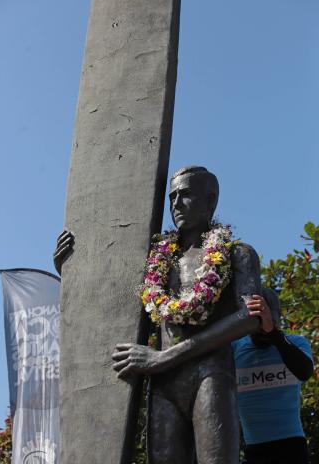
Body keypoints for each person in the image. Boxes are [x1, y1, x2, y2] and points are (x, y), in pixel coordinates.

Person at [54, 166, 262, 464]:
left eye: (186, 194)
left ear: (211, 200)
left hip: (210, 375)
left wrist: (163, 357)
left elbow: (251, 316)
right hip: (164, 384)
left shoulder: (237, 253)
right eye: (172, 197)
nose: (176, 204)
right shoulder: (157, 259)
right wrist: (68, 267)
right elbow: (105, 291)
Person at [232, 289, 314, 464]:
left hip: (292, 447)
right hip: (254, 450)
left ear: (278, 315)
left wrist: (272, 331)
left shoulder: (296, 343)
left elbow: (305, 372)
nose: (263, 326)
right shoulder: (235, 348)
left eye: (269, 318)